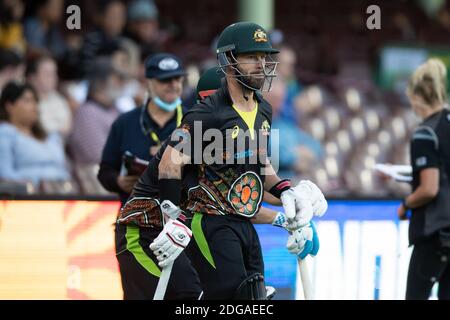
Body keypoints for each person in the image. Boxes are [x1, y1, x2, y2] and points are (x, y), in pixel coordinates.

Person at [114, 66, 320, 300]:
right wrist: (284, 220)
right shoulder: (197, 137)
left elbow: (247, 196)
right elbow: (231, 205)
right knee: (190, 297)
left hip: (181, 231)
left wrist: (294, 199)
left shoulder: (235, 139)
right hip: (145, 231)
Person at [156, 22, 327, 299]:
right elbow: (169, 164)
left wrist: (287, 192)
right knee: (237, 298)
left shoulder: (264, 109)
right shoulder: (207, 113)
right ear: (229, 60)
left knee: (255, 297)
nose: (261, 64)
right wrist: (172, 218)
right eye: (251, 57)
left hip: (244, 223)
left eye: (264, 57)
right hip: (210, 223)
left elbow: (261, 167)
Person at [98, 53, 186, 206]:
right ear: (148, 82)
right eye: (165, 79)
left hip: (182, 219)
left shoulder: (195, 120)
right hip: (135, 217)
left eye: (178, 78)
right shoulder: (125, 123)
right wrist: (118, 182)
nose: (173, 84)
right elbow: (105, 171)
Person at [398, 58, 450, 300]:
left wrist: (407, 203)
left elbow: (429, 188)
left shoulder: (425, 132)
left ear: (416, 96)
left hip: (435, 233)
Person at [0, 81, 70, 186]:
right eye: (27, 101)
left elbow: (64, 169)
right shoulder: (5, 134)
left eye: (35, 101)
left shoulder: (50, 136)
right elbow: (5, 175)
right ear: (9, 106)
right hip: (27, 197)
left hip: (62, 192)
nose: (34, 107)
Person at [68, 59, 122, 166]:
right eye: (117, 79)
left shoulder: (115, 110)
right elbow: (99, 156)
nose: (121, 84)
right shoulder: (86, 113)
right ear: (101, 82)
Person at [26, 54, 72, 138]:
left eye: (54, 73)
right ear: (32, 77)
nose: (53, 77)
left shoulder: (60, 100)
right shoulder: (25, 101)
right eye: (47, 74)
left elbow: (67, 130)